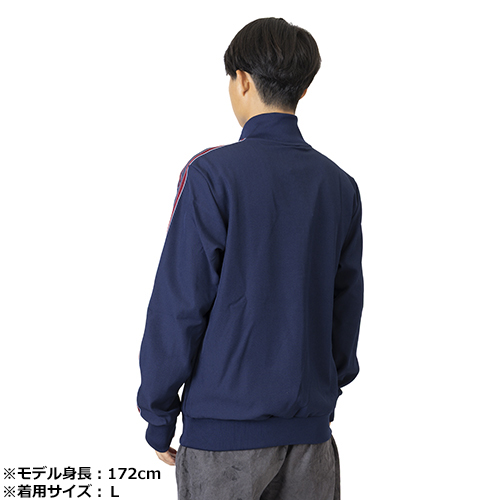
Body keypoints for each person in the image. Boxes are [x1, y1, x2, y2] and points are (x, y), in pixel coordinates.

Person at [137, 17, 363, 500]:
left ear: (241, 80)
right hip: (311, 437)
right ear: (303, 88)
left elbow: (180, 303)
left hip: (224, 438)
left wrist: (158, 413)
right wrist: (325, 390)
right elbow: (346, 306)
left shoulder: (211, 174)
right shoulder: (339, 185)